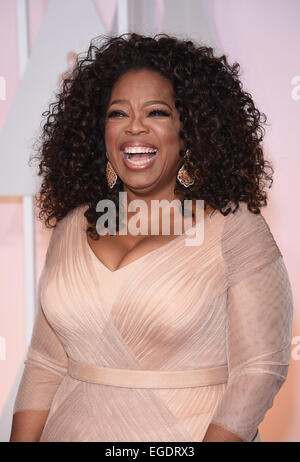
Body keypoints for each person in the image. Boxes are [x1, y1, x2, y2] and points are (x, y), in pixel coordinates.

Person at [10, 33, 293, 442]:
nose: (135, 126)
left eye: (156, 112)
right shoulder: (73, 225)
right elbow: (45, 363)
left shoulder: (235, 227)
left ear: (189, 128)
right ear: (99, 131)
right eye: (117, 113)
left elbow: (259, 373)